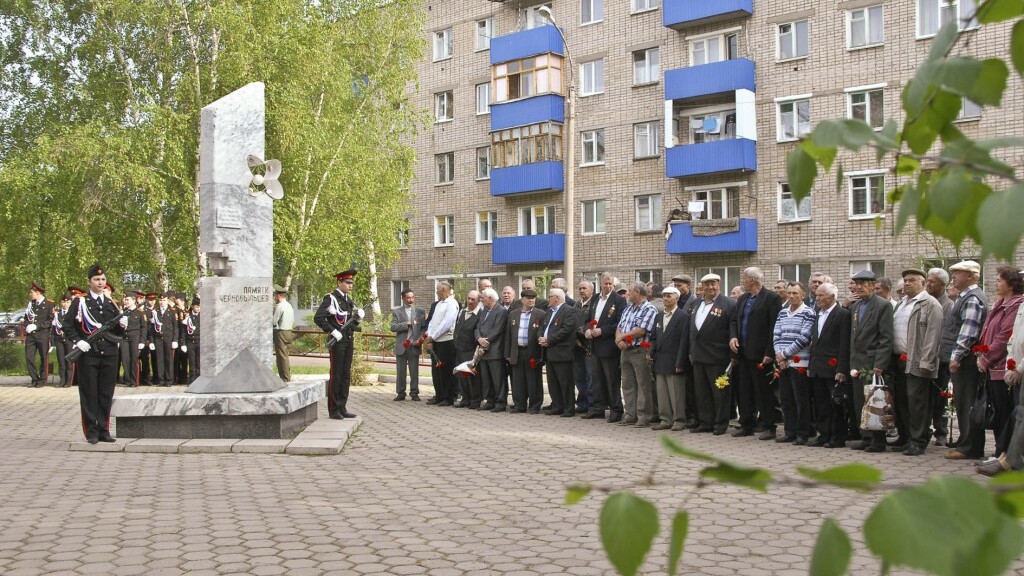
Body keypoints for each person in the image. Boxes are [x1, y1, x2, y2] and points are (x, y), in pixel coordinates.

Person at [63, 264, 127, 443]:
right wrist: (78, 341)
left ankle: (104, 430)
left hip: (109, 353)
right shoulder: (81, 302)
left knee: (106, 393)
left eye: (103, 279)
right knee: (89, 393)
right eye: (97, 279)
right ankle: (91, 431)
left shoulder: (111, 303)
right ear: (89, 282)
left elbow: (116, 333)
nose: (100, 282)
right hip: (88, 354)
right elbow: (67, 324)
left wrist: (122, 326)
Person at [890, 269, 944, 456]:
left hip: (917, 360)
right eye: (905, 280)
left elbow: (933, 336)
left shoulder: (930, 304)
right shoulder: (901, 304)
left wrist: (927, 361)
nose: (907, 283)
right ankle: (905, 436)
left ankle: (918, 440)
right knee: (901, 401)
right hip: (898, 360)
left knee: (917, 403)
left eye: (911, 280)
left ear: (923, 283)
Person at [975, 266, 1024, 459]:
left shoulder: (1015, 305)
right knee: (997, 412)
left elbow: (1004, 336)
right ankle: (1000, 452)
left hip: (1002, 367)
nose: (996, 283)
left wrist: (986, 358)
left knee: (1005, 413)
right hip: (997, 367)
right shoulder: (1001, 304)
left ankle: (1005, 454)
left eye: (999, 280)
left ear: (1011, 284)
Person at [730, 267, 784, 440]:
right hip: (743, 352)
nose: (742, 281)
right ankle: (746, 424)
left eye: (744, 278)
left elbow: (774, 326)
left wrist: (770, 352)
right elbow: (734, 320)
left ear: (752, 280)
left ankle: (769, 426)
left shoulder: (771, 298)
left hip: (761, 354)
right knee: (745, 391)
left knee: (763, 392)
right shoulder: (743, 298)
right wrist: (733, 337)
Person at [942, 260, 989, 460]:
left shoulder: (972, 298)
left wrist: (956, 356)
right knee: (962, 402)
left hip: (966, 361)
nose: (953, 277)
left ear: (971, 276)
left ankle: (970, 447)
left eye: (958, 273)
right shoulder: (965, 297)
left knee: (966, 402)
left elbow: (968, 332)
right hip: (964, 360)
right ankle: (965, 442)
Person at [847, 270, 894, 453]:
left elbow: (885, 337)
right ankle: (866, 437)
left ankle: (878, 440)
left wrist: (880, 363)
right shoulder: (856, 306)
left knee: (875, 401)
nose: (858, 287)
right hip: (857, 362)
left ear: (873, 285)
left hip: (872, 361)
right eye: (856, 283)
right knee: (860, 402)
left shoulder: (882, 306)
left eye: (862, 284)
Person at [689, 274, 737, 434]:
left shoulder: (729, 304)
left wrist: (733, 355)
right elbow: (691, 330)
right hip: (698, 355)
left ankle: (720, 423)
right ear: (702, 286)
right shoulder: (696, 303)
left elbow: (733, 329)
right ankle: (705, 422)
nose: (710, 287)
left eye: (713, 284)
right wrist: (690, 351)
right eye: (707, 284)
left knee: (720, 393)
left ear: (719, 284)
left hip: (718, 356)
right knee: (702, 392)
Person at [314, 269, 362, 419]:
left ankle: (342, 407)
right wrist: (332, 330)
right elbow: (318, 318)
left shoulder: (348, 300)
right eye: (347, 282)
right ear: (339, 282)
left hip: (348, 339)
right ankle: (334, 409)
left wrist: (358, 320)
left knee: (346, 375)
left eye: (351, 282)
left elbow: (349, 323)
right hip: (338, 341)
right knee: (337, 374)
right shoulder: (331, 298)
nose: (350, 285)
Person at [807, 283, 851, 448]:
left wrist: (841, 369)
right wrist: (811, 365)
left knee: (836, 404)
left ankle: (837, 437)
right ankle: (824, 434)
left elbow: (844, 344)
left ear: (832, 297)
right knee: (821, 404)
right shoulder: (818, 313)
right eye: (816, 295)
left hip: (833, 367)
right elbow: (815, 342)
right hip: (818, 367)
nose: (817, 298)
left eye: (821, 295)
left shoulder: (842, 314)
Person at [773, 282, 815, 445]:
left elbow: (804, 338)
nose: (791, 296)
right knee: (786, 399)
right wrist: (779, 356)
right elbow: (776, 334)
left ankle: (802, 433)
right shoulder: (782, 312)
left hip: (799, 363)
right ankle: (789, 432)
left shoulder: (808, 312)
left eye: (795, 293)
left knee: (801, 400)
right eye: (789, 293)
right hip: (783, 363)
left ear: (802, 295)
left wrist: (784, 354)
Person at [583, 273, 627, 422]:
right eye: (605, 283)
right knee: (596, 379)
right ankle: (597, 408)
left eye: (611, 284)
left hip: (609, 346)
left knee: (612, 380)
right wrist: (587, 330)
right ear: (600, 283)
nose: (608, 286)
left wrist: (602, 331)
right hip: (594, 346)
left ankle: (616, 410)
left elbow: (620, 323)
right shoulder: (595, 298)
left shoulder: (619, 300)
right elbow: (588, 320)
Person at [649, 286, 689, 431]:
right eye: (664, 296)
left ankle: (679, 419)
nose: (665, 298)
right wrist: (651, 351)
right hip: (660, 359)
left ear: (677, 298)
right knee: (662, 393)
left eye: (668, 296)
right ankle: (665, 419)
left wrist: (680, 361)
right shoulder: (659, 316)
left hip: (675, 359)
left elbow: (684, 341)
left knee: (676, 393)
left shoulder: (683, 317)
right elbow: (653, 337)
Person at [539, 288, 579, 417]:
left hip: (562, 352)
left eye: (550, 296)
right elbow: (542, 327)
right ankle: (557, 406)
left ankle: (568, 408)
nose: (548, 299)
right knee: (553, 382)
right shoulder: (549, 312)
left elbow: (567, 330)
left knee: (565, 382)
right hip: (549, 352)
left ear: (557, 298)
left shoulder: (569, 310)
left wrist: (549, 339)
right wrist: (540, 337)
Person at [505, 289, 545, 413]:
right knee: (518, 380)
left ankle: (534, 406)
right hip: (517, 351)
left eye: (533, 298)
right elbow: (508, 335)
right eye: (528, 298)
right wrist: (507, 354)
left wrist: (542, 356)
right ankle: (519, 405)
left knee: (533, 380)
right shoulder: (513, 314)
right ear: (522, 299)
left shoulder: (541, 314)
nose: (531, 300)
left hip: (533, 352)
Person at [926, 267, 954, 445]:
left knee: (940, 397)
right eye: (927, 281)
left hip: (940, 359)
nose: (928, 284)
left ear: (943, 285)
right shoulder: (925, 301)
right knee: (926, 397)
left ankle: (941, 431)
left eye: (932, 282)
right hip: (925, 357)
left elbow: (946, 333)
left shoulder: (948, 305)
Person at [422, 281, 459, 407]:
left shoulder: (452, 303)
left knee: (446, 371)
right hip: (436, 341)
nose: (436, 292)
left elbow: (447, 323)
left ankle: (448, 397)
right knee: (436, 370)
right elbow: (432, 322)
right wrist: (429, 335)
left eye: (438, 290)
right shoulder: (439, 304)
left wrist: (433, 336)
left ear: (444, 290)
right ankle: (439, 395)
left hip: (446, 341)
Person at [390, 288, 425, 401]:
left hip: (414, 345)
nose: (411, 300)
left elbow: (423, 328)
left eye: (412, 297)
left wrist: (420, 339)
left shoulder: (420, 311)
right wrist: (406, 324)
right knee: (401, 372)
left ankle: (414, 393)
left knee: (414, 371)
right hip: (402, 346)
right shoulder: (397, 312)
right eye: (408, 298)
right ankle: (401, 393)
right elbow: (393, 327)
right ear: (403, 298)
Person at [475, 288, 507, 411]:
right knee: (486, 378)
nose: (481, 300)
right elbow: (477, 327)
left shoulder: (501, 311)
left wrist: (485, 342)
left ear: (490, 298)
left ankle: (500, 402)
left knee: (497, 378)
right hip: (483, 350)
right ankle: (490, 400)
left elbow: (497, 330)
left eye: (482, 297)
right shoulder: (484, 311)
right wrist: (478, 338)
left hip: (495, 350)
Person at [452, 290, 482, 408]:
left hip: (471, 350)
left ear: (479, 301)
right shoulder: (462, 312)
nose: (469, 301)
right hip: (459, 349)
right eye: (468, 298)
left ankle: (475, 400)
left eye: (473, 299)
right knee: (462, 375)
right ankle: (465, 399)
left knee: (472, 376)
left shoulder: (480, 314)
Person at [23, 281, 54, 388]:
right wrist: (27, 325)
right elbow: (26, 317)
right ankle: (34, 378)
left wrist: (36, 326)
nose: (30, 294)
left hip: (42, 335)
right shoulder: (31, 304)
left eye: (32, 292)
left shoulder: (49, 304)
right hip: (31, 335)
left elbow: (50, 321)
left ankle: (43, 379)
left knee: (44, 358)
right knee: (29, 357)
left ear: (38, 293)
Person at [573, 280, 595, 414]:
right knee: (578, 376)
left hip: (589, 345)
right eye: (580, 288)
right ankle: (582, 403)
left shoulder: (594, 304)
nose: (581, 291)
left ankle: (592, 404)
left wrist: (581, 331)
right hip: (576, 345)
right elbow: (571, 321)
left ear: (591, 290)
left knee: (590, 376)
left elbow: (593, 322)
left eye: (584, 288)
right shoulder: (576, 305)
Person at [150, 291, 179, 386]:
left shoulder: (172, 311)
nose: (162, 302)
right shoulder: (155, 312)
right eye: (160, 300)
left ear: (167, 301)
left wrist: (175, 340)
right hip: (158, 338)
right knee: (159, 359)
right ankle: (161, 379)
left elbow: (175, 326)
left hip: (168, 337)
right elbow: (152, 327)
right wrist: (152, 341)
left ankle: (169, 379)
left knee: (168, 359)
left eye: (164, 300)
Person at [121, 292, 147, 388]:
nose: (126, 301)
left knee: (134, 359)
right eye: (125, 299)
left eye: (127, 299)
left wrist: (142, 341)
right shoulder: (124, 312)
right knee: (125, 359)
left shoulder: (140, 312)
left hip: (135, 338)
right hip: (124, 338)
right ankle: (128, 380)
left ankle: (134, 380)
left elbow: (144, 327)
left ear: (133, 300)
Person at [272, 285, 294, 383]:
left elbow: (273, 321)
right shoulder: (289, 305)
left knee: (281, 357)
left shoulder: (280, 306)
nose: (274, 297)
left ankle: (284, 378)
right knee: (285, 356)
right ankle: (286, 376)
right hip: (288, 332)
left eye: (275, 295)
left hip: (281, 332)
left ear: (279, 295)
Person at [52, 291, 74, 388]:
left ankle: (68, 381)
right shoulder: (57, 314)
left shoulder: (73, 313)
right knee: (61, 360)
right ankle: (62, 380)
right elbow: (54, 328)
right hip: (59, 339)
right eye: (63, 302)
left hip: (69, 339)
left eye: (67, 302)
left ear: (70, 303)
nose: (65, 304)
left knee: (68, 360)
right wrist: (52, 341)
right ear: (61, 302)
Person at [182, 296, 200, 383]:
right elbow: (183, 331)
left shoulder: (203, 316)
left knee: (199, 362)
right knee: (192, 361)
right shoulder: (187, 316)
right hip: (190, 341)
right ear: (192, 306)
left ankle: (199, 378)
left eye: (199, 307)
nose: (198, 309)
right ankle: (192, 379)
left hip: (199, 341)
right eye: (197, 307)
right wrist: (183, 343)